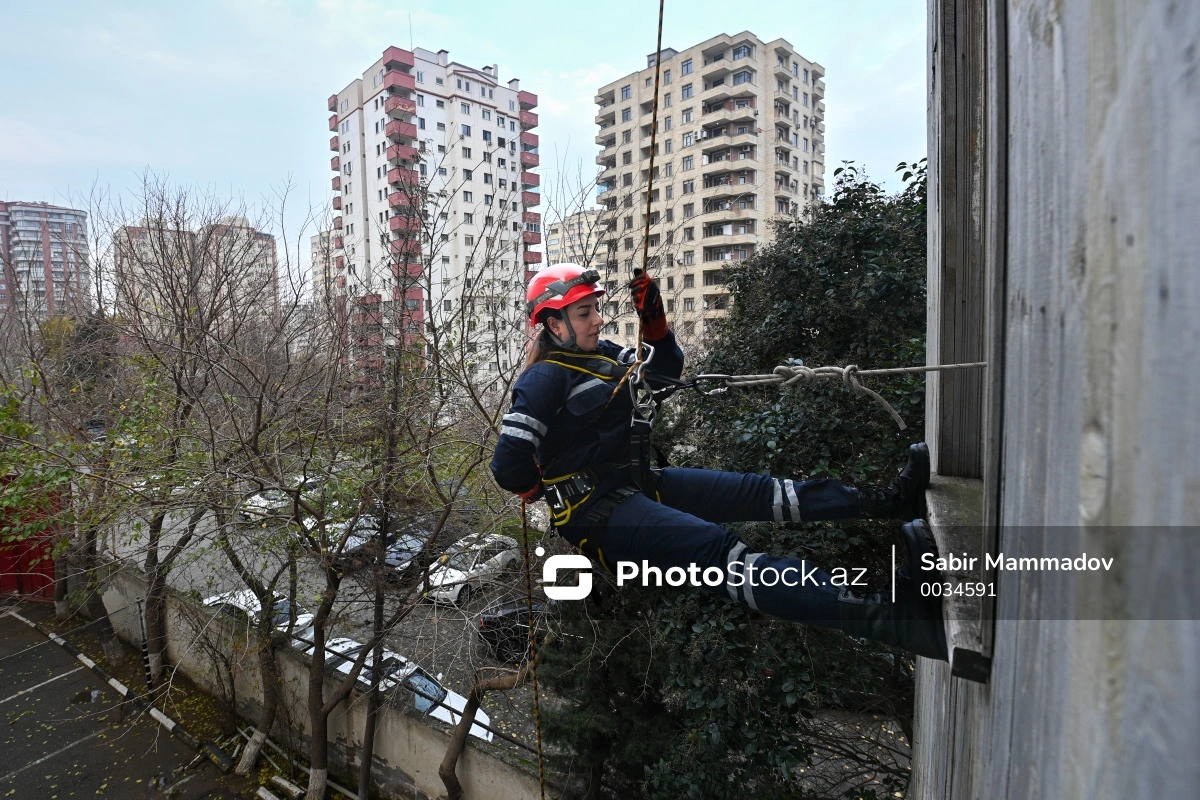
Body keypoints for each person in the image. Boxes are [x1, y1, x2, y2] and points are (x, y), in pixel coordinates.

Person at [490, 263, 946, 660]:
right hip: (598, 513)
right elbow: (507, 465)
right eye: (584, 312)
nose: (597, 319)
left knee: (760, 492)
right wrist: (541, 490)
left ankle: (891, 501)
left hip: (633, 483)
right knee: (721, 554)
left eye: (595, 309)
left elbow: (665, 374)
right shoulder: (544, 379)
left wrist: (655, 325)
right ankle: (890, 617)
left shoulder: (604, 356)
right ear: (554, 324)